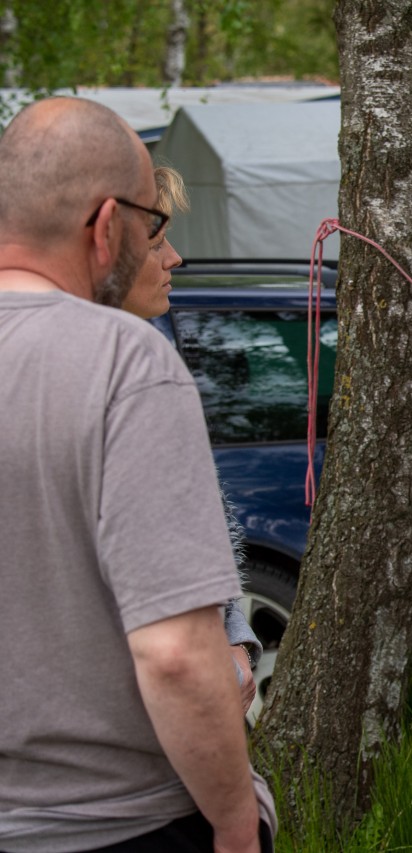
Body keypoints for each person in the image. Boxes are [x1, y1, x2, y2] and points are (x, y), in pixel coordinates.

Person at [0, 97, 274, 851]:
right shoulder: (125, 359)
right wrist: (235, 821)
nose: (166, 249)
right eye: (155, 223)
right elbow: (178, 653)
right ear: (104, 226)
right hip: (118, 824)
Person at [123, 164, 261, 716]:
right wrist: (238, 804)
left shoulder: (148, 346)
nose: (175, 257)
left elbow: (199, 515)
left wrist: (232, 630)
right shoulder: (128, 379)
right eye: (157, 240)